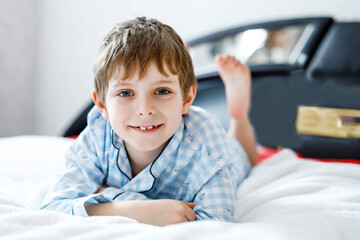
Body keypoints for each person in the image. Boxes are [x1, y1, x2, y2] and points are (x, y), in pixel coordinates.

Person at [40, 17, 258, 226]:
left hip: (227, 153)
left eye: (162, 90)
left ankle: (239, 113)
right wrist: (134, 209)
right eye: (126, 93)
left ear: (187, 98)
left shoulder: (207, 145)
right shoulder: (98, 136)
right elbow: (53, 207)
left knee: (245, 157)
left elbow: (218, 224)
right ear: (103, 106)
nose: (145, 110)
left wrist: (103, 195)